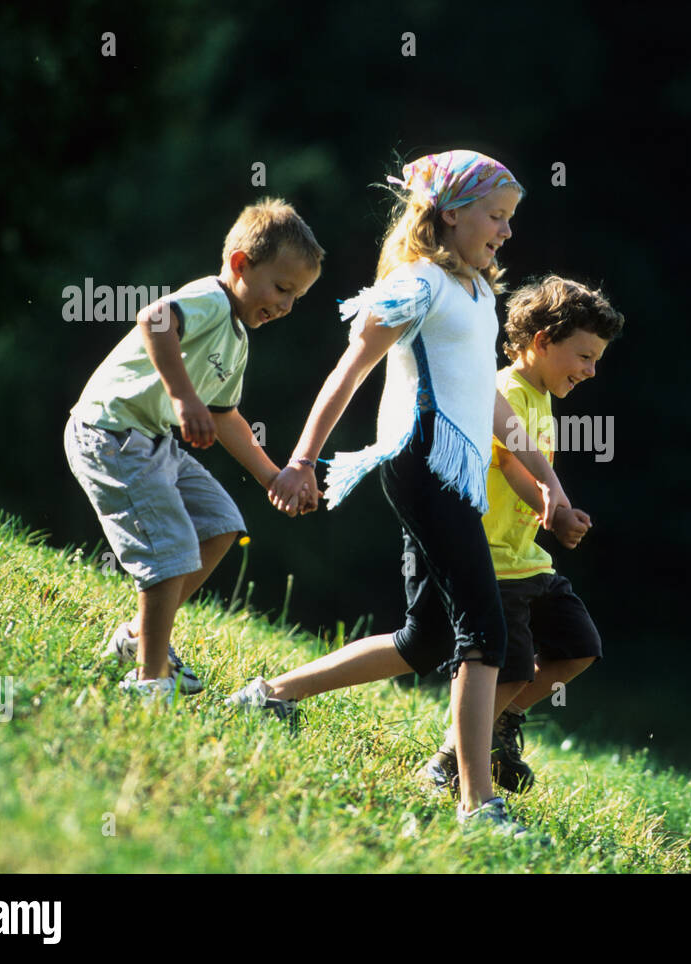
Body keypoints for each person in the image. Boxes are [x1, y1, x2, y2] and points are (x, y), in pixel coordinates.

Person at [227, 150, 567, 835]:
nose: (506, 232)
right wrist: (300, 460)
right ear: (449, 214)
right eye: (496, 217)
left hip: (458, 472)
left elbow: (495, 410)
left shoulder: (477, 292)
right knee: (485, 632)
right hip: (421, 462)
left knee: (427, 637)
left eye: (510, 220)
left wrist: (547, 483)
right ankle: (478, 805)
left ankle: (269, 694)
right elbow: (347, 376)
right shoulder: (419, 285)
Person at [65, 198, 323, 700]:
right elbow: (155, 319)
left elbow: (225, 416)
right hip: (113, 434)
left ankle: (139, 638)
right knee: (170, 553)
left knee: (220, 524)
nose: (286, 306)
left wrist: (274, 477)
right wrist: (184, 398)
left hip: (152, 441)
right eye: (282, 288)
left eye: (297, 298)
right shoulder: (210, 298)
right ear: (240, 264)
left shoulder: (237, 339)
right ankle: (149, 679)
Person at [422, 275, 624, 794]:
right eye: (583, 356)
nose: (591, 370)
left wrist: (553, 515)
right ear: (541, 342)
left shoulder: (541, 394)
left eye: (597, 360)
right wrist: (553, 512)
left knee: (579, 646)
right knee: (504, 667)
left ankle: (501, 722)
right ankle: (452, 758)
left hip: (524, 556)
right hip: (491, 557)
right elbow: (511, 464)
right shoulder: (504, 390)